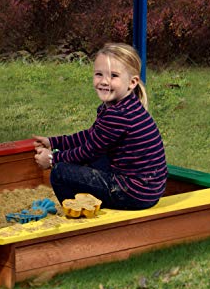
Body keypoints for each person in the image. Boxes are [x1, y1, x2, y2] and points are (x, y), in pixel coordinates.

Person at [34, 42, 167, 210]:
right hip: (147, 188)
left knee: (61, 172)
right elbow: (92, 136)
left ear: (132, 82)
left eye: (113, 76)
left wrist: (53, 159)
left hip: (133, 193)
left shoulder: (117, 115)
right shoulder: (124, 105)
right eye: (99, 74)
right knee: (91, 159)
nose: (104, 81)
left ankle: (79, 214)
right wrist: (55, 142)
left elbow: (88, 151)